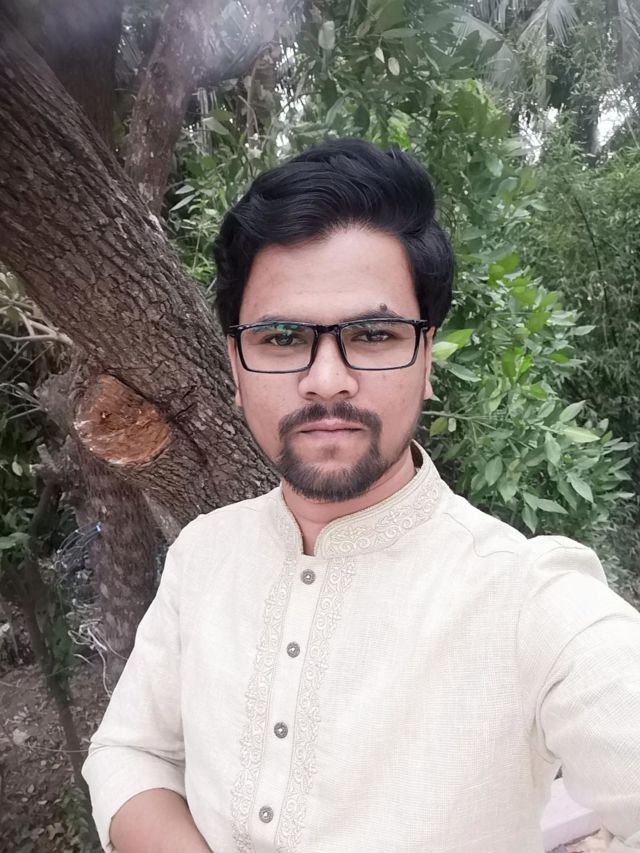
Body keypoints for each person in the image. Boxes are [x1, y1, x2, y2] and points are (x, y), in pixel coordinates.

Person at [82, 138, 640, 853]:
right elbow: (130, 751)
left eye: (373, 334)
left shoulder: (529, 600)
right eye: (281, 338)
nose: (326, 380)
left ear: (427, 358)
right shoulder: (203, 554)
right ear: (237, 366)